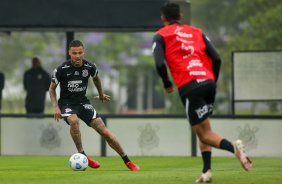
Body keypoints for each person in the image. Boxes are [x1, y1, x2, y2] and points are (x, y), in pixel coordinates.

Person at [152, 2, 252, 182]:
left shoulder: (160, 35)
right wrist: (212, 81)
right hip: (208, 82)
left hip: (190, 85)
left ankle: (234, 148)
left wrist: (167, 83)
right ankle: (207, 172)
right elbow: (217, 58)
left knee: (204, 133)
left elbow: (159, 64)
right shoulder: (197, 32)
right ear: (181, 17)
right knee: (205, 128)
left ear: (163, 19)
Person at [49, 40, 140, 171]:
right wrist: (56, 107)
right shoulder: (60, 69)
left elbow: (96, 78)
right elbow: (52, 89)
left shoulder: (89, 66)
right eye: (74, 53)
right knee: (74, 121)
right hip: (67, 104)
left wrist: (101, 94)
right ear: (69, 53)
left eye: (80, 52)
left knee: (105, 133)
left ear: (83, 52)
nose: (77, 56)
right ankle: (83, 155)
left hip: (83, 103)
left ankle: (128, 162)